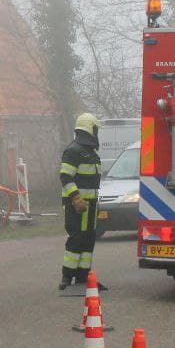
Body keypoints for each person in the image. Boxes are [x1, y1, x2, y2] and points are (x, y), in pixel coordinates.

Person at [58, 112, 106, 291]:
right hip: (77, 206)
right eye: (95, 130)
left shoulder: (90, 153)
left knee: (88, 239)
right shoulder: (73, 150)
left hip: (91, 205)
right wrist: (75, 198)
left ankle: (83, 276)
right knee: (76, 239)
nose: (97, 133)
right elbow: (65, 177)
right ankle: (67, 276)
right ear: (89, 129)